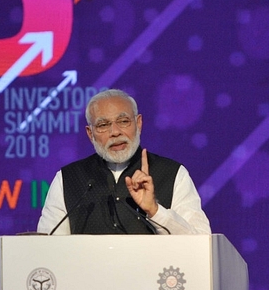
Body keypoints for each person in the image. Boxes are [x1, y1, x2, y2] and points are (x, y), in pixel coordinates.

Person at [37, 89, 211, 235]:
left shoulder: (173, 174)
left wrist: (155, 211)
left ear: (138, 123)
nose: (115, 132)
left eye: (123, 121)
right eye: (103, 125)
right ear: (90, 134)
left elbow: (201, 243)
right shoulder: (68, 179)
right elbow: (47, 248)